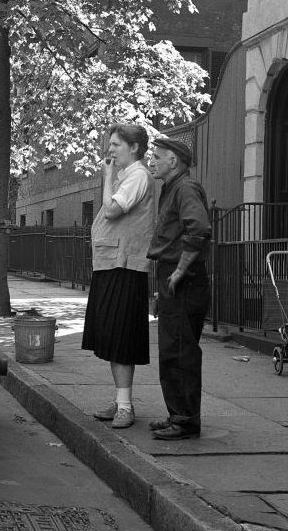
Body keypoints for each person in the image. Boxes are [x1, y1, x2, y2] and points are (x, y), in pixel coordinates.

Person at [83, 123, 155, 429]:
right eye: (109, 144)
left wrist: (108, 176)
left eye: (116, 144)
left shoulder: (138, 175)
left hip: (124, 266)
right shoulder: (129, 176)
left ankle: (125, 406)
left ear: (134, 147)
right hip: (113, 264)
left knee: (121, 338)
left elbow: (112, 211)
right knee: (113, 337)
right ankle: (120, 400)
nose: (109, 149)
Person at [147, 138, 212, 440]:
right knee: (172, 351)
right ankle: (178, 415)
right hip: (176, 282)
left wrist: (180, 271)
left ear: (173, 161)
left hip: (185, 282)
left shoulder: (184, 189)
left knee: (181, 352)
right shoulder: (173, 189)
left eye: (157, 157)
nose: (153, 161)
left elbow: (198, 228)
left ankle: (185, 421)